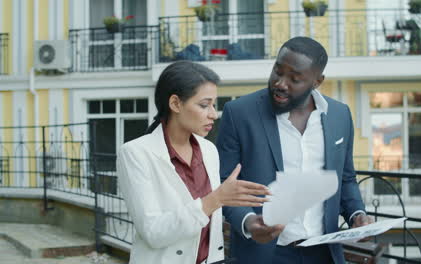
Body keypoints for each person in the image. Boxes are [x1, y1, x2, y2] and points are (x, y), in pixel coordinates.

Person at [216, 37, 373, 264]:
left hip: (324, 253)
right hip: (263, 255)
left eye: (295, 79)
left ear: (317, 81)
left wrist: (357, 215)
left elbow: (346, 178)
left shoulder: (340, 115)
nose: (280, 82)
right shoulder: (239, 113)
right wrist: (248, 221)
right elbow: (225, 182)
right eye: (277, 71)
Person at [117, 61, 270, 264]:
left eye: (214, 105)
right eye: (204, 105)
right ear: (175, 104)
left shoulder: (209, 150)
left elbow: (211, 221)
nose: (213, 114)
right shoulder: (135, 153)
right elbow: (153, 232)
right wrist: (216, 199)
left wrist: (250, 220)